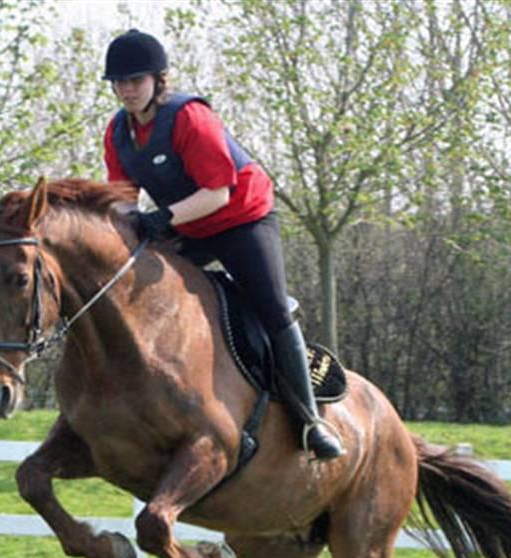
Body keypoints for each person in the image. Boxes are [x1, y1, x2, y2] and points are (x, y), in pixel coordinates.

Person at [102, 29, 344, 460]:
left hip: (242, 218)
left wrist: (161, 218)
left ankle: (311, 421)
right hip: (189, 227)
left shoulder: (190, 118)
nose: (126, 90)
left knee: (271, 311)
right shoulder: (118, 133)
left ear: (158, 80)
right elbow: (123, 199)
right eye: (119, 83)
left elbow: (218, 192)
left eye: (135, 80)